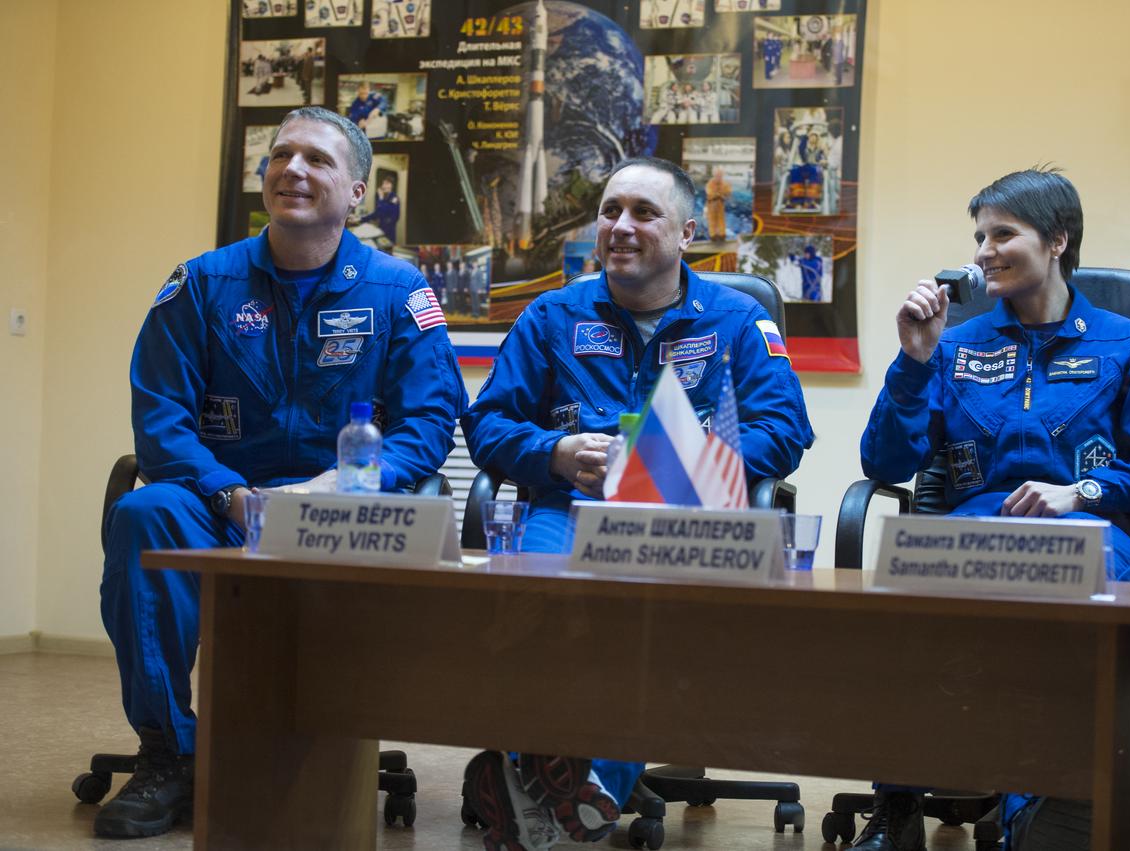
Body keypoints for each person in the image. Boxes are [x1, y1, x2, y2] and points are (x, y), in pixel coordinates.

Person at [94, 107, 466, 839]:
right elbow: (162, 416)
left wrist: (347, 488)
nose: (292, 170)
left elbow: (427, 423)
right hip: (224, 495)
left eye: (317, 160)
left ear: (359, 191)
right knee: (144, 511)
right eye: (280, 155)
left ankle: (336, 741)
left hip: (346, 501)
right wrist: (228, 493)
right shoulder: (201, 284)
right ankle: (168, 753)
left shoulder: (398, 291)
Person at [460, 156, 814, 850]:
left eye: (642, 213)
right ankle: (564, 786)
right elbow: (489, 424)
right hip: (568, 510)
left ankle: (558, 779)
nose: (620, 226)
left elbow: (783, 431)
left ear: (687, 232)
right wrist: (554, 453)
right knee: (539, 596)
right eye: (610, 210)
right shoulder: (551, 316)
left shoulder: (739, 320)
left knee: (636, 612)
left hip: (690, 518)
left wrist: (686, 465)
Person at [856, 168, 1130, 850]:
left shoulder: (1123, 342)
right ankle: (898, 794)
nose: (984, 250)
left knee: (1059, 593)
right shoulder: (953, 345)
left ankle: (1045, 807)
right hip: (971, 534)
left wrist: (1086, 491)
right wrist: (911, 359)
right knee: (895, 584)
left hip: (1089, 533)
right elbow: (884, 464)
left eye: (1002, 233)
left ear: (1056, 239)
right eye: (978, 236)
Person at [360, 175, 401, 242]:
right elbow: (377, 213)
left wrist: (381, 198)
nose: (384, 186)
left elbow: (394, 217)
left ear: (392, 186)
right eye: (383, 183)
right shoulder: (384, 198)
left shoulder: (394, 198)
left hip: (389, 233)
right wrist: (361, 219)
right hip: (381, 230)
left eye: (387, 183)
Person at [703, 166, 731, 242]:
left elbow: (728, 193)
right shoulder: (710, 183)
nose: (719, 176)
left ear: (722, 175)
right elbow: (709, 192)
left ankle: (722, 235)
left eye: (720, 174)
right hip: (711, 204)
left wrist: (720, 194)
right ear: (714, 174)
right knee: (712, 220)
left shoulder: (725, 184)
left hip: (720, 205)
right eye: (717, 174)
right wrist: (719, 194)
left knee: (721, 220)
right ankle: (713, 236)